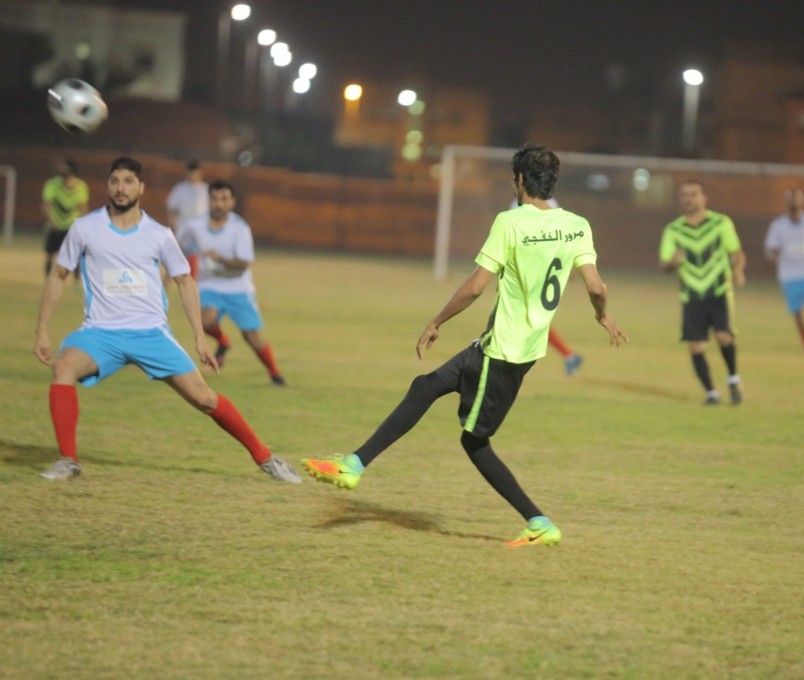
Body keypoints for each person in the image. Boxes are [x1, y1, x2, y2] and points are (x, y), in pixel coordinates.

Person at [301, 144, 628, 546]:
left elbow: (475, 287)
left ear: (519, 179)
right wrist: (602, 316)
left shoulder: (510, 222)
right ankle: (353, 464)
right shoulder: (577, 225)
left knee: (474, 442)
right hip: (519, 348)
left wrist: (436, 320)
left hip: (501, 351)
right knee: (425, 386)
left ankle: (539, 522)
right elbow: (596, 286)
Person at [32, 156, 300, 483]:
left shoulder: (158, 234)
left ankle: (265, 457)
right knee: (63, 367)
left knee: (204, 398)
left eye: (128, 181)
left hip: (151, 334)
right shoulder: (85, 228)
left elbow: (185, 281)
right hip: (101, 333)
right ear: (108, 185)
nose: (120, 188)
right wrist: (42, 330)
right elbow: (59, 275)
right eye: (115, 180)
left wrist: (200, 338)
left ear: (141, 187)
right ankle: (68, 461)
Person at [177, 181, 286, 385]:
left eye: (224, 199)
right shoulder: (194, 225)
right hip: (209, 285)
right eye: (215, 199)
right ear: (209, 201)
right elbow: (179, 245)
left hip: (238, 287)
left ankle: (274, 373)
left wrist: (219, 258)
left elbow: (244, 263)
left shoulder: (239, 227)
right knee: (205, 320)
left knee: (252, 337)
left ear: (232, 202)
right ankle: (223, 341)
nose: (219, 204)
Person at [659, 179, 746, 405]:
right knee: (696, 346)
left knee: (724, 337)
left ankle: (733, 379)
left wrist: (737, 271)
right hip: (691, 295)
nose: (688, 199)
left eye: (693, 194)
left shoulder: (720, 223)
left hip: (718, 291)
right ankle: (711, 393)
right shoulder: (674, 230)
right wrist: (673, 262)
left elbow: (737, 253)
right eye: (684, 195)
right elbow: (665, 265)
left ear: (704, 198)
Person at [509, 196, 583, 376]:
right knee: (531, 317)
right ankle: (568, 355)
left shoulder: (531, 204)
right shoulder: (539, 202)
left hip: (535, 269)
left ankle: (567, 355)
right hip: (531, 268)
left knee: (528, 317)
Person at [765, 188, 804, 354]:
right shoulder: (779, 225)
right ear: (786, 201)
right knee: (797, 310)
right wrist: (775, 254)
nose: (794, 202)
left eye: (796, 198)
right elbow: (771, 247)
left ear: (802, 200)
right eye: (790, 199)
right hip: (789, 274)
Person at [41, 158, 89, 277]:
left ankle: (77, 280)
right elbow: (46, 204)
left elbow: (83, 207)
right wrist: (52, 221)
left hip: (72, 226)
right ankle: (47, 278)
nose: (60, 170)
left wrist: (82, 225)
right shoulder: (52, 184)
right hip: (55, 226)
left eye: (63, 167)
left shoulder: (81, 186)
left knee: (76, 253)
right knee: (50, 254)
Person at [165, 160, 209, 278]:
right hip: (183, 231)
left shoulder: (205, 189)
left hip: (200, 232)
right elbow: (172, 210)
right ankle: (164, 285)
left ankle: (192, 282)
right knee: (175, 262)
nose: (192, 176)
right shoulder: (180, 189)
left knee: (195, 259)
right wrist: (174, 230)